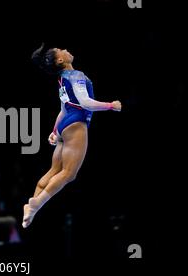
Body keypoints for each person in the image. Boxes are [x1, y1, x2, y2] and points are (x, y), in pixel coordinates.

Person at [22, 43, 122, 228]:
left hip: (66, 124)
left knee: (54, 171)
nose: (66, 50)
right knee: (68, 174)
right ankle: (37, 203)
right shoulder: (76, 75)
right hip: (77, 123)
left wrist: (54, 131)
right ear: (61, 60)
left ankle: (31, 206)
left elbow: (63, 109)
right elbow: (86, 103)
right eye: (62, 50)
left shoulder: (62, 79)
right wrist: (111, 105)